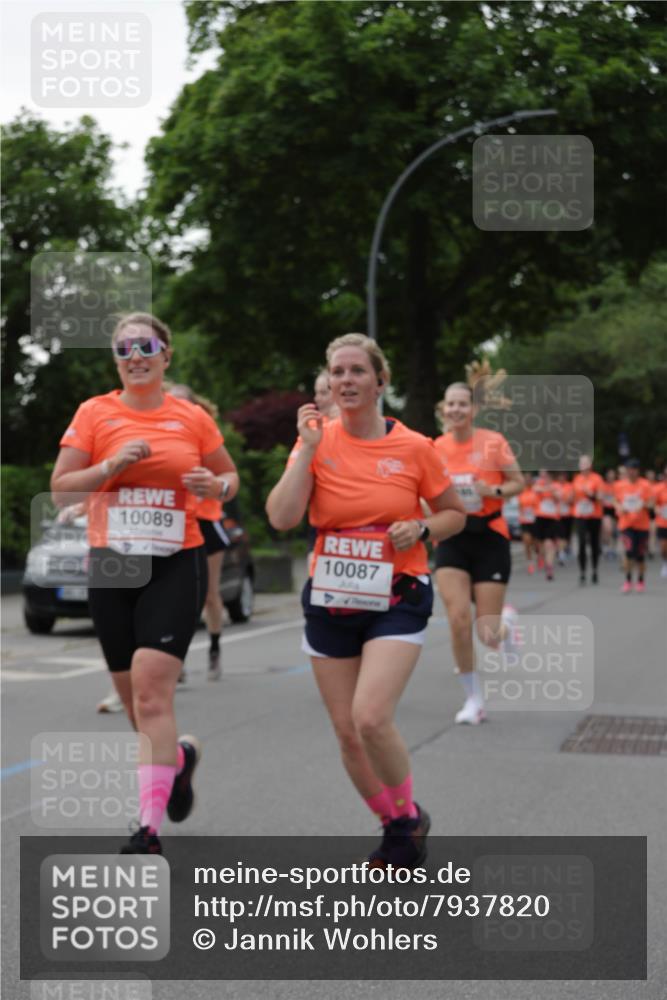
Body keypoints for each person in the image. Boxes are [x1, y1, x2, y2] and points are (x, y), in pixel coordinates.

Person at [266, 333, 465, 869]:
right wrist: (306, 449)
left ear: (381, 381)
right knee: (348, 734)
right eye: (337, 372)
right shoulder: (315, 440)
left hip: (397, 593)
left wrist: (422, 526)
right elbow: (282, 517)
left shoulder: (416, 447)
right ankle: (400, 824)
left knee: (371, 717)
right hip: (331, 595)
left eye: (357, 371)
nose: (346, 380)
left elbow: (454, 514)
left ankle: (404, 820)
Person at [51, 313, 239, 853]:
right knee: (135, 705)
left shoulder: (192, 419)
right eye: (125, 347)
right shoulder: (94, 413)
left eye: (146, 345)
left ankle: (147, 830)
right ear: (116, 358)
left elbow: (229, 478)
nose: (136, 354)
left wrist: (217, 485)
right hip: (113, 566)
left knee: (153, 698)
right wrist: (110, 464)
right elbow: (63, 491)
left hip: (175, 561)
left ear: (166, 355)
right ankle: (177, 760)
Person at [432, 374, 524, 725]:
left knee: (487, 634)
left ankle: (507, 623)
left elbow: (518, 482)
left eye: (462, 403)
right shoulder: (435, 447)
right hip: (452, 537)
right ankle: (473, 699)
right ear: (444, 409)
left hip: (490, 535)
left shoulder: (493, 442)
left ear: (474, 409)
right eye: (450, 404)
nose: (456, 409)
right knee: (457, 619)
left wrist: (493, 492)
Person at [169, 383, 230, 681]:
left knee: (208, 594)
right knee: (176, 596)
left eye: (183, 402)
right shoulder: (160, 433)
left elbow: (226, 474)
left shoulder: (204, 431)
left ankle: (215, 649)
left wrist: (210, 480)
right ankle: (174, 659)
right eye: (172, 401)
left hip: (206, 520)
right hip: (176, 521)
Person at [613, 458, 652, 593]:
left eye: (634, 469)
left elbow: (652, 503)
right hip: (626, 524)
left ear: (638, 471)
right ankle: (628, 580)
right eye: (629, 469)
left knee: (640, 555)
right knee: (629, 552)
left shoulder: (645, 485)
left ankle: (641, 580)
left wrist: (643, 504)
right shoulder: (619, 485)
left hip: (642, 525)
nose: (631, 472)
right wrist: (619, 508)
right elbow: (615, 501)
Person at [571, 456, 604, 584]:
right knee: (581, 543)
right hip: (580, 515)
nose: (583, 466)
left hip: (594, 515)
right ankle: (583, 572)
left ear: (590, 465)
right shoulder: (577, 479)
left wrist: (591, 494)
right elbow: (573, 497)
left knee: (594, 543)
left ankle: (595, 569)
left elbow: (600, 497)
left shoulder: (597, 479)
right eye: (581, 463)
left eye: (586, 463)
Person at [532, 470, 560, 581]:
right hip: (540, 518)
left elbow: (558, 496)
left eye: (545, 475)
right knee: (540, 544)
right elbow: (536, 490)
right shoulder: (538, 484)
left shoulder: (556, 485)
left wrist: (550, 490)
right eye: (541, 475)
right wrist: (547, 489)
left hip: (552, 518)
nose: (543, 477)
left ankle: (549, 567)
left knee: (549, 544)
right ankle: (541, 558)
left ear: (550, 476)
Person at [517, 474, 539, 574]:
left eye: (529, 480)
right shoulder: (520, 492)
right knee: (526, 542)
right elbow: (518, 505)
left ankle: (538, 555)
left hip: (534, 520)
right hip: (524, 520)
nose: (527, 481)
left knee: (535, 543)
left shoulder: (536, 491)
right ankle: (530, 563)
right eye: (526, 480)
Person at [555, 473, 574, 565]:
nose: (561, 477)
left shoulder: (569, 486)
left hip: (568, 514)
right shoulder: (555, 485)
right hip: (558, 515)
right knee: (560, 534)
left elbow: (571, 499)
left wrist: (565, 499)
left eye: (563, 476)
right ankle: (561, 553)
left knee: (567, 534)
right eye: (560, 476)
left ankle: (566, 548)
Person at [600, 469, 618, 559]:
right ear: (606, 476)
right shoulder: (603, 485)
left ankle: (612, 548)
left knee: (614, 530)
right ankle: (606, 547)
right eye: (609, 475)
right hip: (606, 509)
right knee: (608, 529)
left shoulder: (618, 485)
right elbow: (600, 497)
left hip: (615, 510)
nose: (611, 477)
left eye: (612, 475)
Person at [654, 468, 667, 579]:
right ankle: (665, 562)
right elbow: (653, 503)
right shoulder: (658, 488)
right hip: (663, 522)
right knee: (663, 547)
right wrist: (657, 509)